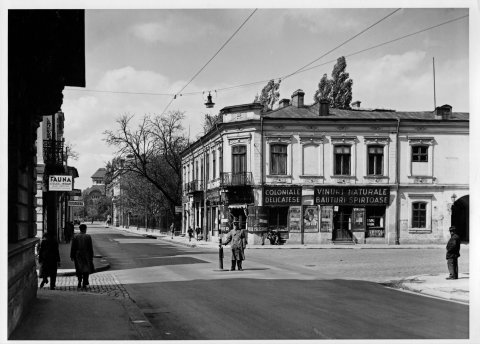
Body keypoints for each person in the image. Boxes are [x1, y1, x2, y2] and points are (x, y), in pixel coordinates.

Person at [70, 223, 95, 289]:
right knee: (86, 269)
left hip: (78, 255)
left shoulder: (75, 237)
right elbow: (90, 247)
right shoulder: (88, 237)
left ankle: (79, 280)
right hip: (86, 255)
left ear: (80, 229)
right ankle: (84, 282)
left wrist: (72, 255)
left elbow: (73, 247)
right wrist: (91, 255)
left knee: (79, 268)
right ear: (85, 229)